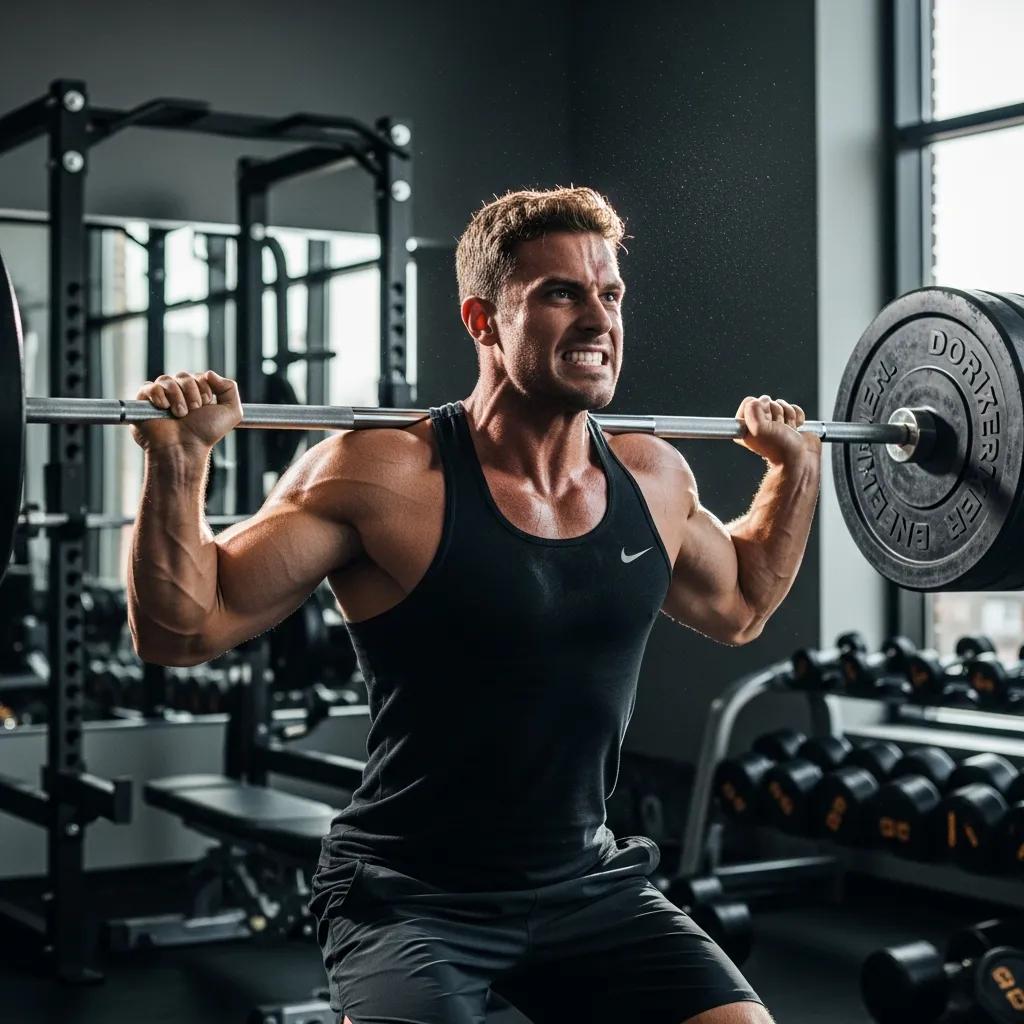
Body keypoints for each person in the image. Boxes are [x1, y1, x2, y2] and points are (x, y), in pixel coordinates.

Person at [128, 187, 821, 1023]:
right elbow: (181, 629)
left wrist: (796, 473)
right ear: (481, 320)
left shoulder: (654, 476)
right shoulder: (382, 474)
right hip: (410, 896)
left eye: (610, 294)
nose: (598, 319)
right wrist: (179, 463)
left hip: (587, 883)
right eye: (560, 293)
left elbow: (741, 604)